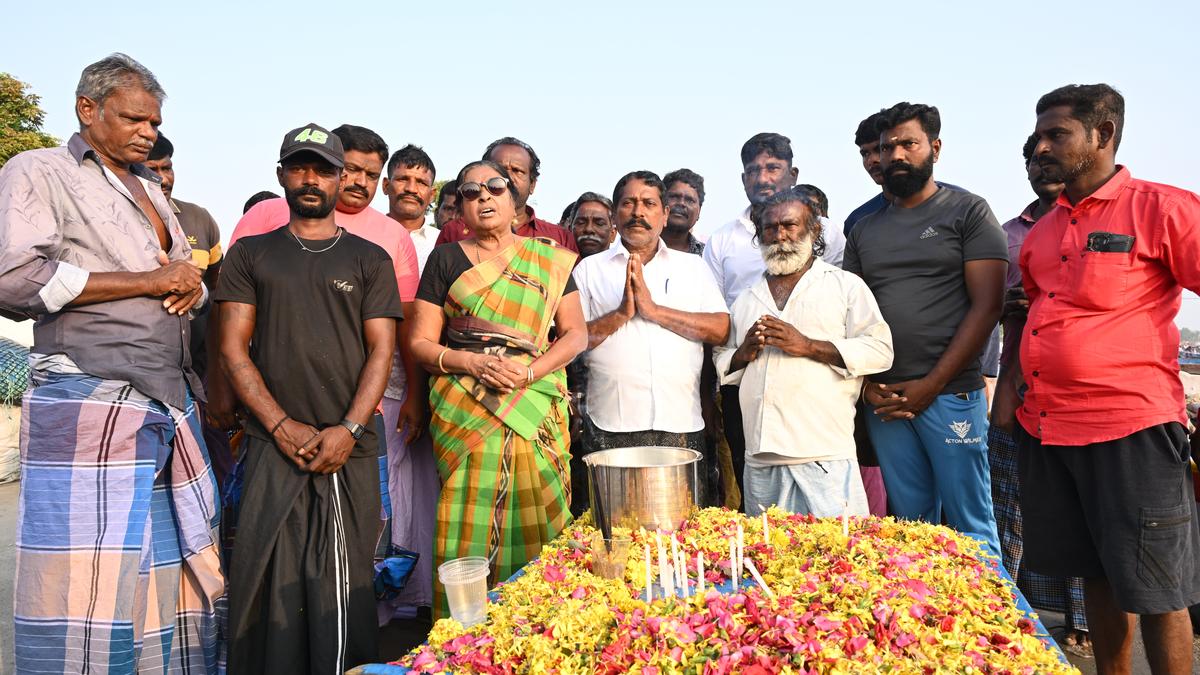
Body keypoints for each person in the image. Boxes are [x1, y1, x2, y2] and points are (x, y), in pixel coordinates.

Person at [0, 53, 222, 674]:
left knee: (162, 576)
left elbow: (188, 274)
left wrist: (186, 287)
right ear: (87, 109)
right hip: (90, 392)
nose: (149, 133)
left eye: (155, 122)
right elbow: (14, 281)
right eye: (135, 119)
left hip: (166, 395)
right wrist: (149, 281)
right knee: (86, 585)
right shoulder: (38, 170)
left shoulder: (150, 186)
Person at [1011, 84, 1200, 674]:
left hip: (1131, 427)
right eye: (1038, 136)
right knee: (1094, 574)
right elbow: (1042, 316)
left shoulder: (1161, 207)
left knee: (1158, 589)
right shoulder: (1043, 231)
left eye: (1056, 135)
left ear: (1104, 134)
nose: (1040, 147)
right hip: (1047, 429)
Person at [218, 123, 403, 672]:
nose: (310, 178)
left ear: (340, 177)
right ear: (281, 175)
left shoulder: (370, 258)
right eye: (299, 167)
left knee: (342, 583)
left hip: (349, 445)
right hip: (273, 442)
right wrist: (280, 426)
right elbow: (232, 349)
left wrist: (347, 430)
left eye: (322, 168)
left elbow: (381, 352)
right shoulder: (251, 254)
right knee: (262, 573)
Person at [407, 160, 587, 617]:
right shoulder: (446, 259)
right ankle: (463, 637)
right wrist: (471, 362)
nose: (483, 197)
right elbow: (420, 342)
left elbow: (574, 335)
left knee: (545, 509)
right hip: (465, 402)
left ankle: (549, 625)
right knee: (466, 516)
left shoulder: (550, 258)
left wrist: (528, 374)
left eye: (494, 188)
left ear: (515, 200)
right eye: (470, 191)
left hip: (534, 397)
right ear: (459, 209)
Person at [843, 101, 1006, 559]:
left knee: (971, 523)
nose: (895, 155)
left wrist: (931, 386)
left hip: (951, 392)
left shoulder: (968, 211)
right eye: (886, 146)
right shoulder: (862, 227)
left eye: (908, 144)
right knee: (912, 527)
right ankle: (929, 627)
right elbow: (851, 316)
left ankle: (1001, 627)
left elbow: (988, 305)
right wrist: (869, 385)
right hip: (886, 399)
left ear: (934, 148)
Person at [715, 188, 892, 517]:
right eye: (770, 228)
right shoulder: (747, 299)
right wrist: (744, 352)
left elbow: (880, 348)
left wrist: (809, 346)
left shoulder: (844, 285)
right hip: (760, 458)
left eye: (789, 225)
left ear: (814, 230)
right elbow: (722, 359)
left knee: (835, 557)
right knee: (769, 560)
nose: (780, 235)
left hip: (823, 454)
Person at [703, 133, 846, 508]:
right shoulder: (722, 240)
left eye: (772, 168)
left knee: (825, 498)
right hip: (745, 380)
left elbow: (843, 301)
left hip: (815, 386)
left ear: (792, 173)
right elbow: (718, 320)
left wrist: (811, 345)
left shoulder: (828, 232)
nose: (762, 178)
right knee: (752, 479)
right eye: (753, 170)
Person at [989, 133, 1090, 655]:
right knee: (1011, 506)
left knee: (1082, 512)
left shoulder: (1101, 226)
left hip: (1083, 393)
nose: (1042, 168)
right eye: (1033, 160)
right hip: (1018, 383)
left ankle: (1083, 620)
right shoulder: (1008, 233)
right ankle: (1013, 607)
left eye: (1051, 157)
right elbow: (992, 305)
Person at [573, 170, 729, 464]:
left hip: (681, 420)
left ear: (665, 214)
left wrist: (655, 311)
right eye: (628, 203)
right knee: (611, 511)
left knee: (686, 511)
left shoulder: (692, 267)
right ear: (615, 216)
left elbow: (720, 329)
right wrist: (620, 315)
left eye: (648, 204)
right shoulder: (589, 270)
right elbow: (573, 340)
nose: (638, 213)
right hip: (611, 420)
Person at [143, 133, 235, 487]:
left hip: (197, 374)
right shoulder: (113, 217)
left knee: (214, 470)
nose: (163, 178)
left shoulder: (199, 220)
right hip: (142, 371)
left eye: (167, 167)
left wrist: (218, 375)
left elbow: (220, 292)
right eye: (152, 169)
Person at [434, 137, 578, 252]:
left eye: (517, 170)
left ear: (532, 184)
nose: (507, 178)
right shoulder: (453, 231)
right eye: (499, 170)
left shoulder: (560, 238)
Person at [384, 144, 440, 271]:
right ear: (386, 186)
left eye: (421, 183)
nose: (411, 189)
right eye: (403, 179)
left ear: (432, 195)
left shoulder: (442, 244)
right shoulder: (363, 235)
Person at [662, 168, 707, 254]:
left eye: (689, 200)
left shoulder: (707, 255)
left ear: (699, 211)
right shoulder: (638, 248)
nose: (681, 203)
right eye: (674, 197)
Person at [568, 191, 616, 259]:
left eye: (599, 223)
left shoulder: (627, 267)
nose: (589, 229)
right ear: (569, 229)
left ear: (613, 234)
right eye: (581, 222)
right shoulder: (552, 266)